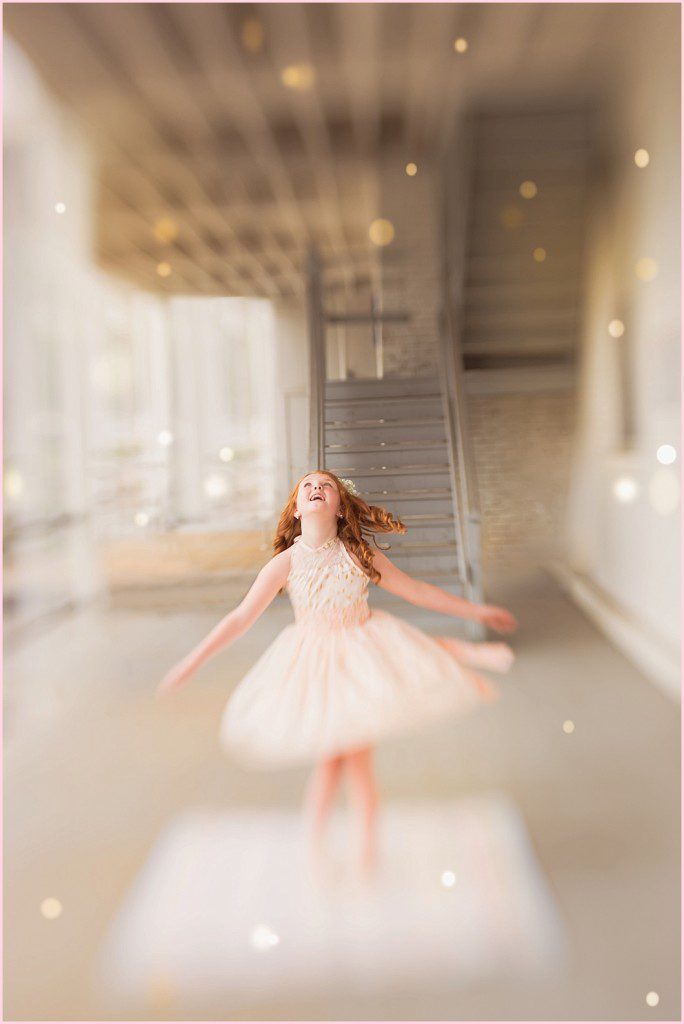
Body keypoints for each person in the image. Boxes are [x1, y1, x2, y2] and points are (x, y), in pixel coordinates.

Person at [156, 470, 518, 879]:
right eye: (308, 486)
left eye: (326, 486)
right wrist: (192, 661)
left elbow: (416, 591)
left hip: (361, 656)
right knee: (330, 762)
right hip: (314, 665)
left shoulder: (360, 555)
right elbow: (240, 618)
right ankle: (318, 853)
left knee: (357, 761)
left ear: (340, 506)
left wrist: (477, 611)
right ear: (296, 509)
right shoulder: (285, 563)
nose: (316, 489)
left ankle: (364, 856)